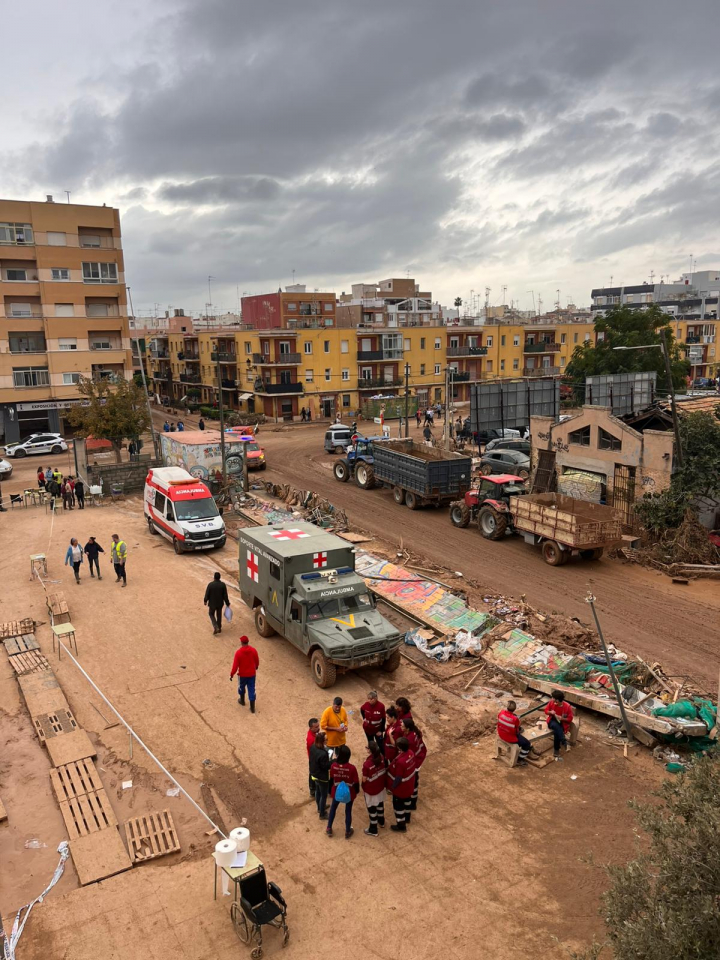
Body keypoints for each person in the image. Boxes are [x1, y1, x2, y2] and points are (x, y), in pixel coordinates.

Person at [326, 745, 359, 839]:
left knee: (333, 808)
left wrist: (330, 791)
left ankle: (329, 827)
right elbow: (356, 782)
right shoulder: (352, 768)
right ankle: (348, 831)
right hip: (349, 791)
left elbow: (331, 779)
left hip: (336, 790)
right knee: (348, 811)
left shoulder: (333, 766)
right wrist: (356, 792)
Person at [388, 736, 416, 832]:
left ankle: (401, 825)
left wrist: (392, 787)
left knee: (398, 806)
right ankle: (407, 817)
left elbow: (398, 778)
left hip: (401, 789)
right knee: (407, 801)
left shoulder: (400, 762)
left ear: (399, 748)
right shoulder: (411, 753)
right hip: (409, 784)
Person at [361, 741, 387, 837]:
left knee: (372, 809)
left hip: (371, 790)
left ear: (369, 751)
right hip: (380, 787)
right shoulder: (382, 757)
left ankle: (373, 829)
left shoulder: (367, 764)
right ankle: (382, 821)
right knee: (380, 803)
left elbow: (364, 779)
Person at [497, 700, 532, 767]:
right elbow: (516, 732)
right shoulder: (515, 719)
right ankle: (520, 759)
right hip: (510, 738)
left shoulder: (501, 713)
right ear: (514, 709)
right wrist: (516, 720)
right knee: (527, 744)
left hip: (501, 733)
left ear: (507, 707)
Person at [229, 635, 260, 712]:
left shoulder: (238, 653)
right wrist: (256, 667)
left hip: (242, 675)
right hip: (252, 674)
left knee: (241, 687)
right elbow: (257, 660)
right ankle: (252, 708)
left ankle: (242, 701)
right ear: (248, 642)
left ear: (241, 643)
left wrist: (232, 674)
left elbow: (235, 666)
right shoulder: (253, 650)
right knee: (251, 689)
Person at [402, 718, 427, 808]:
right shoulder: (415, 732)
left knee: (414, 782)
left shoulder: (410, 740)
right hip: (419, 757)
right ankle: (413, 800)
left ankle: (412, 803)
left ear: (407, 728)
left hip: (415, 761)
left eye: (402, 726)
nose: (401, 726)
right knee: (415, 780)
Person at [545, 690, 574, 760]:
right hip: (552, 721)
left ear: (557, 700)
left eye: (553, 698)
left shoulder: (567, 706)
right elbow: (546, 711)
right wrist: (550, 712)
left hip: (562, 723)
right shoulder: (551, 703)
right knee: (556, 726)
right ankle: (564, 742)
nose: (552, 699)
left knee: (557, 731)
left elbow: (570, 719)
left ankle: (556, 749)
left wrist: (562, 718)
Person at [309, 731, 331, 820]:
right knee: (323, 795)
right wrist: (333, 761)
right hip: (322, 777)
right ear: (322, 741)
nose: (327, 741)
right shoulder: (323, 753)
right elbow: (325, 767)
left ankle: (319, 808)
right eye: (326, 740)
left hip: (314, 774)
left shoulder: (313, 747)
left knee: (318, 791)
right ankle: (322, 813)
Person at [204, 571, 230, 635]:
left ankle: (215, 627)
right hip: (220, 603)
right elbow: (225, 595)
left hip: (212, 604)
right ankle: (219, 628)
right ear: (220, 577)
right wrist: (227, 603)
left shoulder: (210, 585)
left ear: (214, 577)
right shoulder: (223, 585)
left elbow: (207, 594)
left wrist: (205, 600)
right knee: (219, 615)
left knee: (211, 614)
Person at [306, 718, 320, 798]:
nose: (318, 728)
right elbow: (315, 751)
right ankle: (312, 789)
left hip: (316, 756)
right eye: (316, 727)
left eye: (318, 726)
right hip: (313, 758)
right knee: (312, 773)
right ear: (311, 728)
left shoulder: (315, 732)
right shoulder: (310, 739)